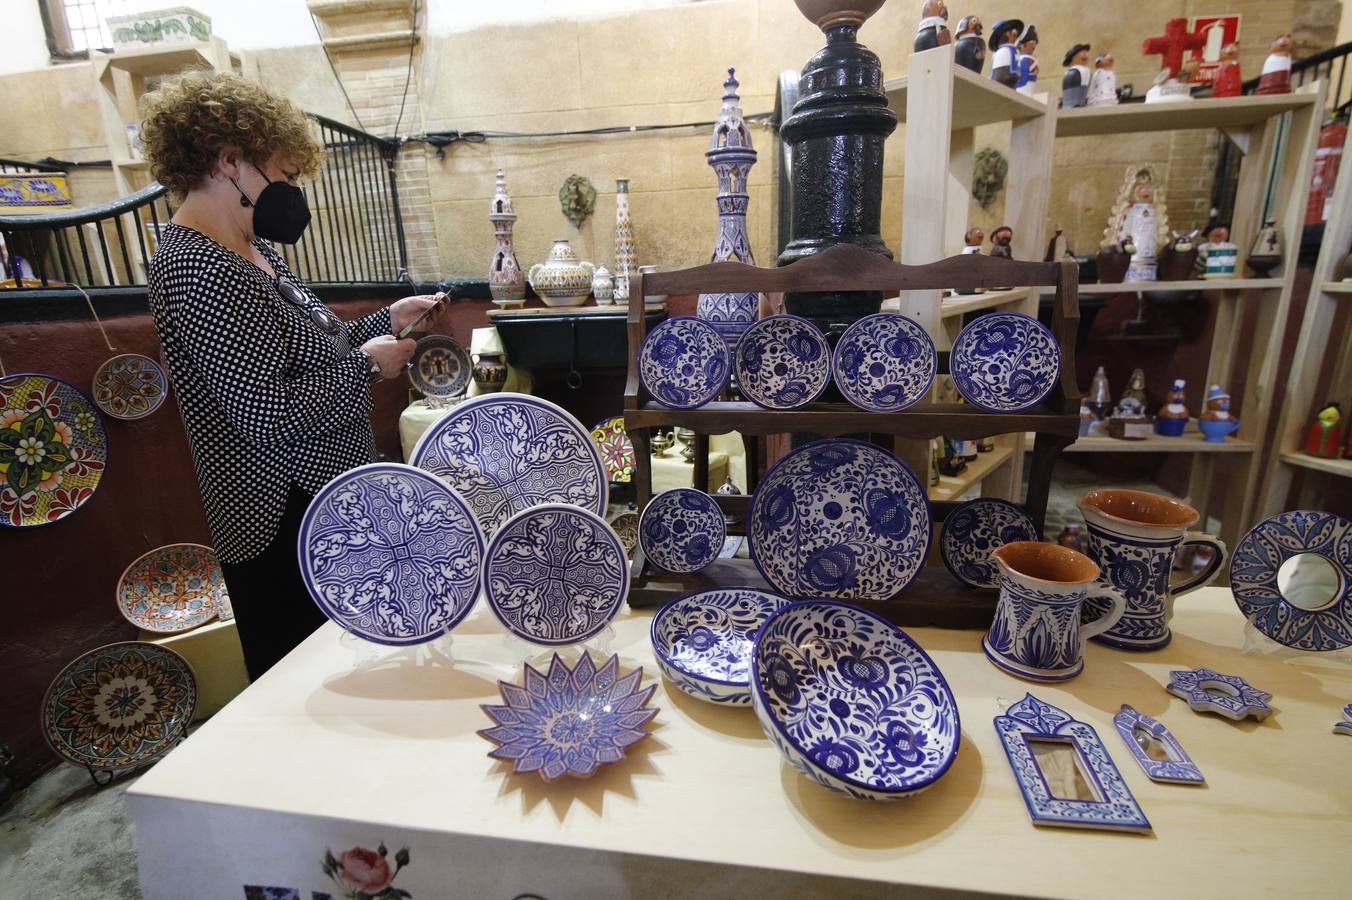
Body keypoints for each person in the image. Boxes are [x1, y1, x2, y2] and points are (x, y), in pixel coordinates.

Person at [140, 72, 446, 679]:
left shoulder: (255, 250)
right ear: (230, 162)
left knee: (360, 667)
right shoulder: (195, 264)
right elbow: (264, 415)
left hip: (325, 499)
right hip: (277, 518)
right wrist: (368, 367)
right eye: (280, 173)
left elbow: (315, 348)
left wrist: (388, 319)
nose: (289, 190)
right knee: (304, 681)